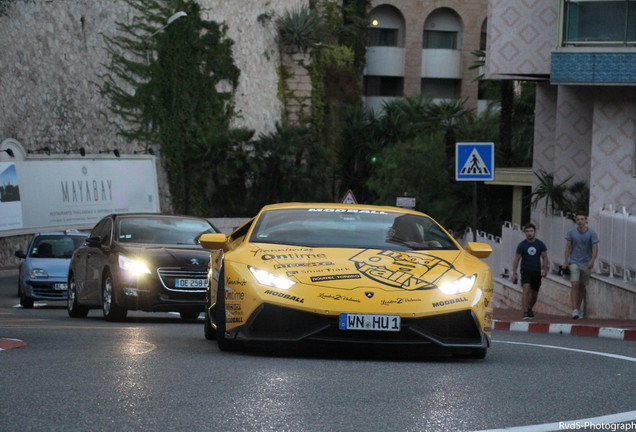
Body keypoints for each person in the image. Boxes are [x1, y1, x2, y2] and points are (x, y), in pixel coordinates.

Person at [562, 212, 599, 320]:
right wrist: (565, 261)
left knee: (582, 286)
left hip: (586, 263)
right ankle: (574, 309)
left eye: (582, 219)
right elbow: (568, 247)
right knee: (574, 284)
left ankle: (578, 309)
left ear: (586, 221)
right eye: (578, 219)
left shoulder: (592, 233)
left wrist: (592, 261)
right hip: (574, 262)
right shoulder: (571, 232)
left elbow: (595, 248)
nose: (580, 221)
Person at [511, 224, 548, 320]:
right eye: (527, 231)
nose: (529, 233)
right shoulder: (522, 245)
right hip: (525, 270)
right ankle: (525, 311)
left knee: (534, 293)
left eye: (531, 231)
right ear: (525, 233)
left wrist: (544, 269)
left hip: (536, 271)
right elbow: (516, 259)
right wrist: (514, 273)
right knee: (526, 289)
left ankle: (530, 307)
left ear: (534, 232)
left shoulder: (540, 244)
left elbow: (544, 257)